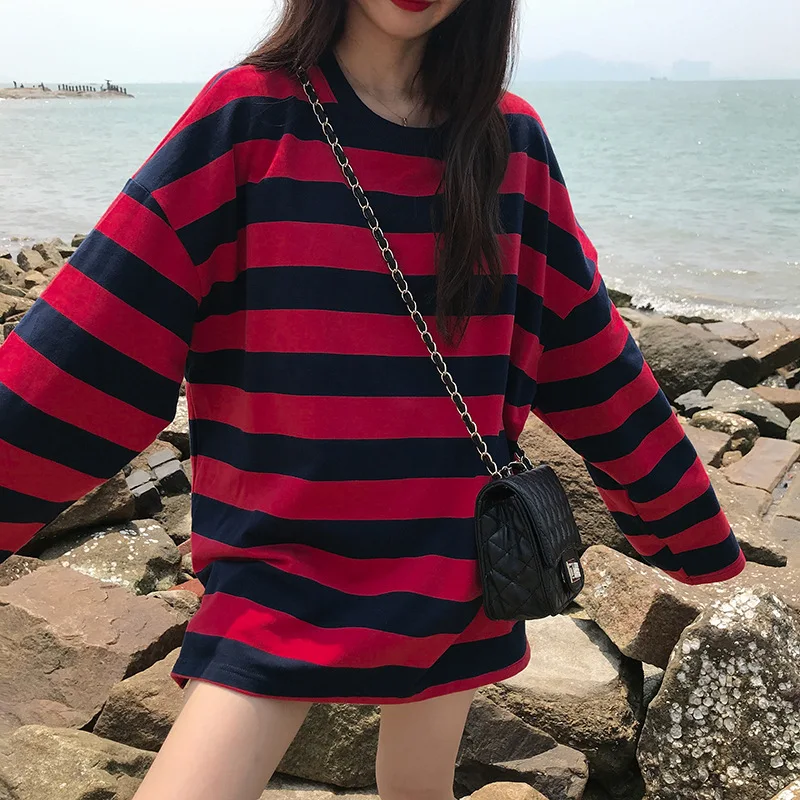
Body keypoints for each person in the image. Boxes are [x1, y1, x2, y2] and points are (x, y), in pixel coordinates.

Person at [0, 0, 746, 798]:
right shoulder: (251, 118)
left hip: (460, 560)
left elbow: (590, 352)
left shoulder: (507, 140)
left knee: (418, 789)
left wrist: (688, 526)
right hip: (281, 568)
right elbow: (97, 336)